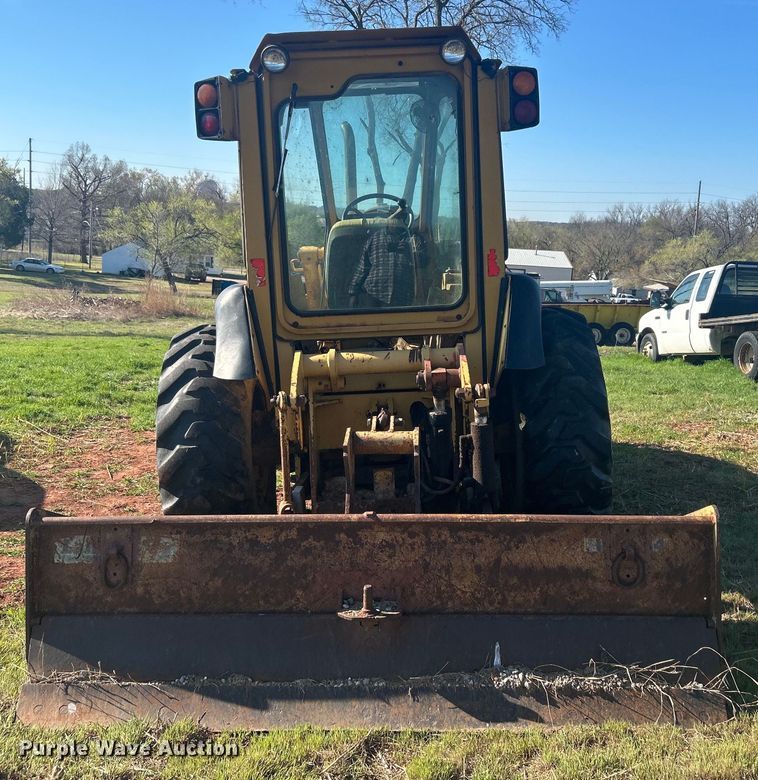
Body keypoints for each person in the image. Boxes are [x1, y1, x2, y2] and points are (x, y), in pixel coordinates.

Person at [347, 202, 415, 307]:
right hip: (373, 294)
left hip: (402, 297)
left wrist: (411, 254)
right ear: (388, 219)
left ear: (404, 220)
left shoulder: (412, 239)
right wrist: (353, 294)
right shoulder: (375, 238)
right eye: (394, 218)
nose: (396, 222)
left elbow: (424, 264)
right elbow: (363, 267)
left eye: (400, 218)